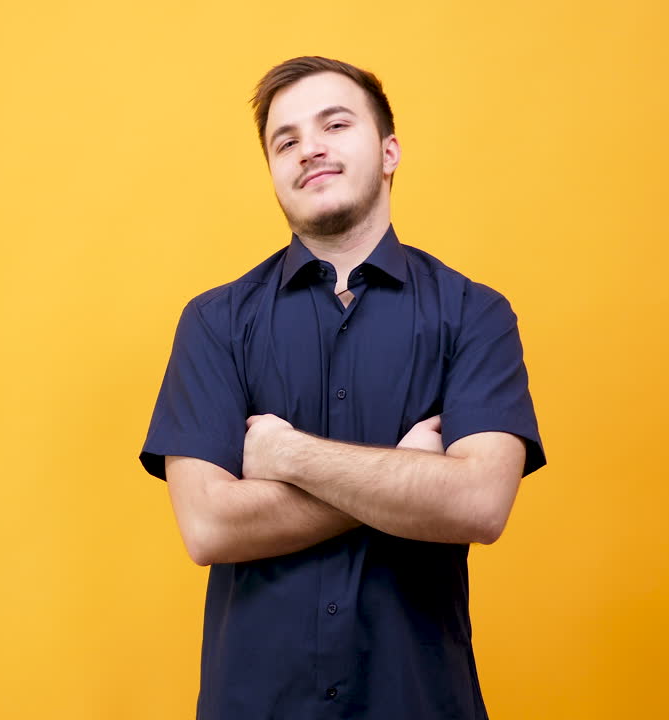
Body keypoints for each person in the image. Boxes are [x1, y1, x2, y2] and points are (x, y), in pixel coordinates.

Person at [138, 55, 548, 719]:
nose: (310, 150)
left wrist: (290, 458)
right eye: (287, 140)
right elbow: (209, 525)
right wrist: (411, 478)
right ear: (272, 171)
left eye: (334, 124)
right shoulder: (215, 322)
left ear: (389, 151)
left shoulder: (473, 313)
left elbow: (478, 503)